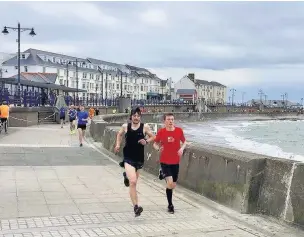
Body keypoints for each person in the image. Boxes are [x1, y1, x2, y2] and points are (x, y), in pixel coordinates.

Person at [114, 107, 155, 217]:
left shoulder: (144, 127)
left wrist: (146, 141)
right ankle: (136, 207)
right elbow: (119, 134)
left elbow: (153, 137)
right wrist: (117, 144)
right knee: (133, 182)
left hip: (139, 159)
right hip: (128, 157)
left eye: (138, 116)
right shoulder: (125, 126)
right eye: (134, 115)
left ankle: (126, 175)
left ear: (140, 117)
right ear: (131, 116)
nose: (136, 118)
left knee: (134, 183)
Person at [153, 113, 187, 214]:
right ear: (165, 121)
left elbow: (185, 142)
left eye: (172, 119)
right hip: (165, 161)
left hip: (175, 161)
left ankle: (162, 174)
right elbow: (155, 143)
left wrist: (181, 148)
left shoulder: (179, 131)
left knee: (173, 185)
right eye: (168, 119)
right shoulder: (161, 132)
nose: (171, 121)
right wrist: (158, 148)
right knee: (170, 183)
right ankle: (170, 205)